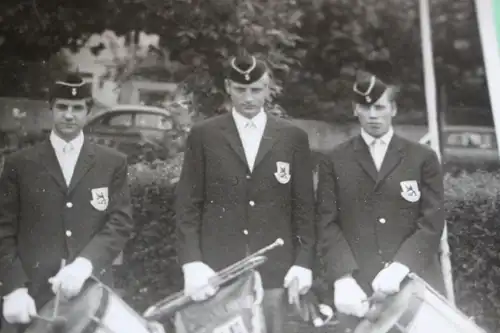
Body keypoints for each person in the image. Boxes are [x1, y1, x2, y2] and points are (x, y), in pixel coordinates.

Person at [175, 54, 316, 333]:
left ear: (268, 89)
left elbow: (305, 208)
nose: (248, 98)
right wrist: (192, 262)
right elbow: (187, 205)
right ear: (228, 87)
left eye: (256, 89)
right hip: (219, 273)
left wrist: (303, 262)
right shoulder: (205, 135)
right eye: (240, 89)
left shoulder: (292, 137)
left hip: (277, 273)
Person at [0, 73, 134, 332]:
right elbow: (3, 229)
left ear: (88, 110)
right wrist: (14, 287)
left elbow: (120, 221)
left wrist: (86, 263)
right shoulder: (21, 164)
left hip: (90, 295)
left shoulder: (112, 162)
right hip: (32, 299)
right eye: (62, 107)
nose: (69, 115)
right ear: (51, 108)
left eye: (77, 108)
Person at [316, 70, 445, 326]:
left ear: (393, 109)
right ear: (355, 109)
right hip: (361, 292)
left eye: (379, 107)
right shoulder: (334, 160)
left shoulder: (422, 158)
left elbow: (431, 223)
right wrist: (342, 277)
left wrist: (401, 266)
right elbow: (326, 222)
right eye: (365, 107)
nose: (373, 115)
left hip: (415, 284)